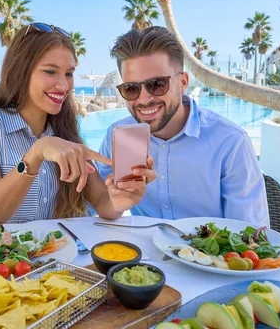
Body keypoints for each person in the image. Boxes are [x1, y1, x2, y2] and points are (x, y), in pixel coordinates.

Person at [0, 23, 156, 231]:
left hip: (43, 261)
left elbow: (103, 203)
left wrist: (121, 199)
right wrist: (36, 154)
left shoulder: (64, 133)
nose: (63, 85)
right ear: (21, 71)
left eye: (69, 74)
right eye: (50, 71)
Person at [97, 27, 270, 226]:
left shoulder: (229, 142)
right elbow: (98, 209)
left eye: (157, 84)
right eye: (131, 88)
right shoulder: (119, 136)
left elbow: (250, 233)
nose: (144, 99)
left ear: (183, 82)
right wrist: (116, 202)